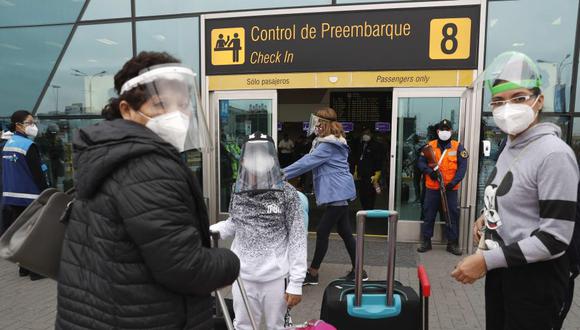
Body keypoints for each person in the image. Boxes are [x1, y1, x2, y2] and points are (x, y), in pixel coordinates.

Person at [55, 51, 240, 330]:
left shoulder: (110, 153)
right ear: (127, 110)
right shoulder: (149, 166)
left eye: (184, 104)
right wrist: (229, 261)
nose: (177, 114)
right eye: (161, 104)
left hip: (109, 311)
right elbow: (185, 267)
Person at [451, 51, 578, 330]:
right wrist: (487, 216)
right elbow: (512, 195)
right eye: (498, 101)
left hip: (536, 281)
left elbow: (555, 238)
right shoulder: (510, 146)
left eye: (518, 98)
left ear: (538, 101)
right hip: (504, 269)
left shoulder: (553, 154)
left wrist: (484, 260)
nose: (507, 107)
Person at [210, 132, 307, 330]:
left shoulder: (287, 193)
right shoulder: (237, 190)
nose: (258, 159)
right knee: (243, 326)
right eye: (252, 154)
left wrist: (296, 283)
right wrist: (210, 231)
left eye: (263, 154)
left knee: (276, 326)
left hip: (275, 277)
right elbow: (235, 222)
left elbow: (297, 237)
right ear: (244, 160)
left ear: (273, 158)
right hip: (242, 276)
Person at [283, 107, 364, 285]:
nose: (315, 126)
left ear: (325, 125)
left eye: (318, 123)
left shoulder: (328, 145)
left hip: (338, 192)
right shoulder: (326, 142)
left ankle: (313, 272)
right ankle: (360, 271)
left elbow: (307, 162)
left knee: (322, 231)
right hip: (339, 191)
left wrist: (281, 174)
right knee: (345, 232)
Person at [1, 110, 48, 281]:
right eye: (29, 122)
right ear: (18, 125)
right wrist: (47, 193)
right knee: (34, 233)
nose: (33, 125)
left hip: (11, 196)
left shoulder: (6, 144)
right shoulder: (28, 146)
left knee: (20, 234)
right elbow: (38, 174)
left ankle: (23, 268)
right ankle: (36, 271)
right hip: (30, 196)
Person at [416, 119, 468, 255]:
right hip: (432, 188)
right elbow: (420, 163)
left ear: (451, 131)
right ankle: (426, 241)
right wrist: (430, 172)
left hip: (450, 189)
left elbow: (462, 168)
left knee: (451, 215)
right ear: (438, 131)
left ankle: (452, 243)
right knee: (429, 214)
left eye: (447, 130)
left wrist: (453, 182)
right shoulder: (429, 146)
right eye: (442, 130)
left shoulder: (458, 147)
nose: (444, 132)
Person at [352, 127, 383, 210]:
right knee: (362, 193)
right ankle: (364, 209)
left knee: (370, 194)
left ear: (371, 135)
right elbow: (356, 158)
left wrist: (377, 174)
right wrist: (355, 170)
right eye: (364, 133)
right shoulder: (360, 145)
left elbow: (379, 160)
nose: (366, 135)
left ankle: (369, 210)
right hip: (361, 174)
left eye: (368, 133)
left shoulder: (376, 145)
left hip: (371, 175)